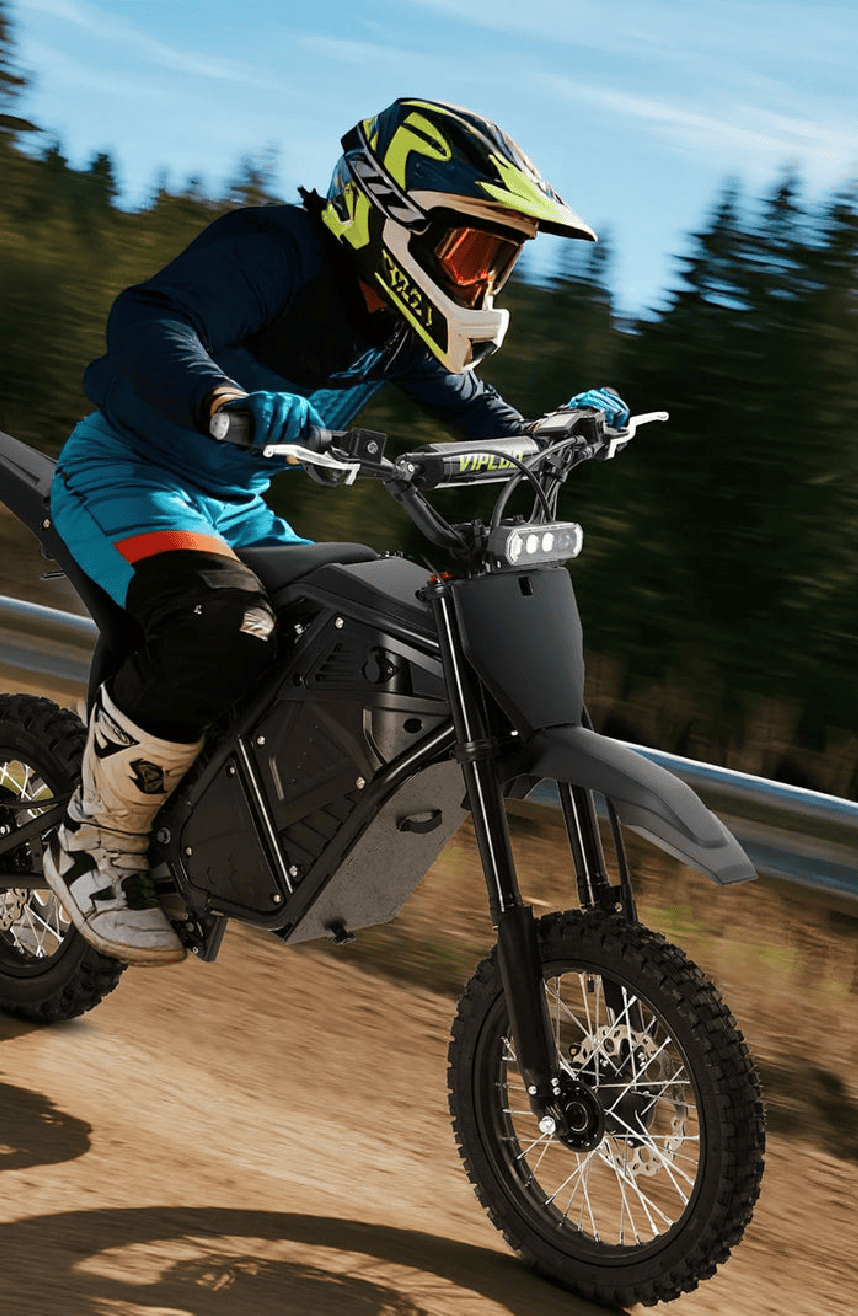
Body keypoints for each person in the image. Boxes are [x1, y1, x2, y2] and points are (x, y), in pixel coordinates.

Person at [42, 96, 629, 967]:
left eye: (499, 262)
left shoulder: (396, 323)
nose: (483, 284)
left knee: (344, 641)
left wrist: (556, 434)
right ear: (392, 215)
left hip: (236, 506)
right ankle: (95, 841)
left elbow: (476, 414)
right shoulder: (273, 250)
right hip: (130, 472)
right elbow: (148, 320)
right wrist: (224, 402)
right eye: (472, 251)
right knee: (224, 624)